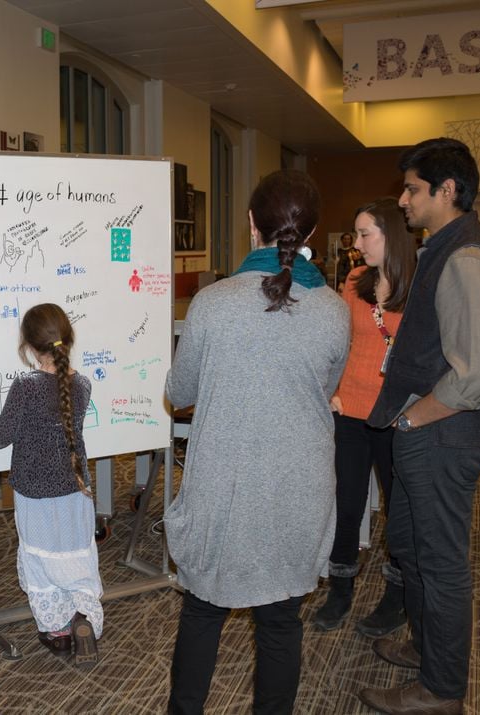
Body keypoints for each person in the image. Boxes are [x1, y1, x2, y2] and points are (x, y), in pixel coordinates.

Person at [164, 169, 349, 714]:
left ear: (251, 224)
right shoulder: (335, 311)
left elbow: (180, 392)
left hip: (226, 483)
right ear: (312, 233)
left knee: (201, 612)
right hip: (299, 485)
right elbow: (325, 388)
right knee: (281, 622)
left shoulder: (213, 302)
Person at [359, 138, 480, 714]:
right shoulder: (443, 248)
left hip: (445, 433)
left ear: (448, 191)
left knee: (440, 562)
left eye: (413, 189)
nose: (402, 200)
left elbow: (475, 378)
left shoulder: (467, 257)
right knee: (411, 548)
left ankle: (441, 690)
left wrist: (415, 417)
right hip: (430, 432)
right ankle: (430, 654)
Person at [0, 303, 103, 667]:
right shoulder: (82, 385)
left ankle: (57, 632)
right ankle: (83, 618)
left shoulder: (25, 386)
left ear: (28, 345)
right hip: (76, 490)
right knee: (76, 556)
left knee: (41, 560)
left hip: (35, 494)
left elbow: (0, 437)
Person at [311, 198, 416, 636]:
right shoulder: (355, 280)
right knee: (347, 502)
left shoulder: (422, 285)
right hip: (350, 411)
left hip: (398, 416)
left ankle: (395, 597)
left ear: (389, 236)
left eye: (364, 234)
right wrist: (333, 390)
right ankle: (340, 589)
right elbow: (338, 343)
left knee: (399, 510)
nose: (356, 243)